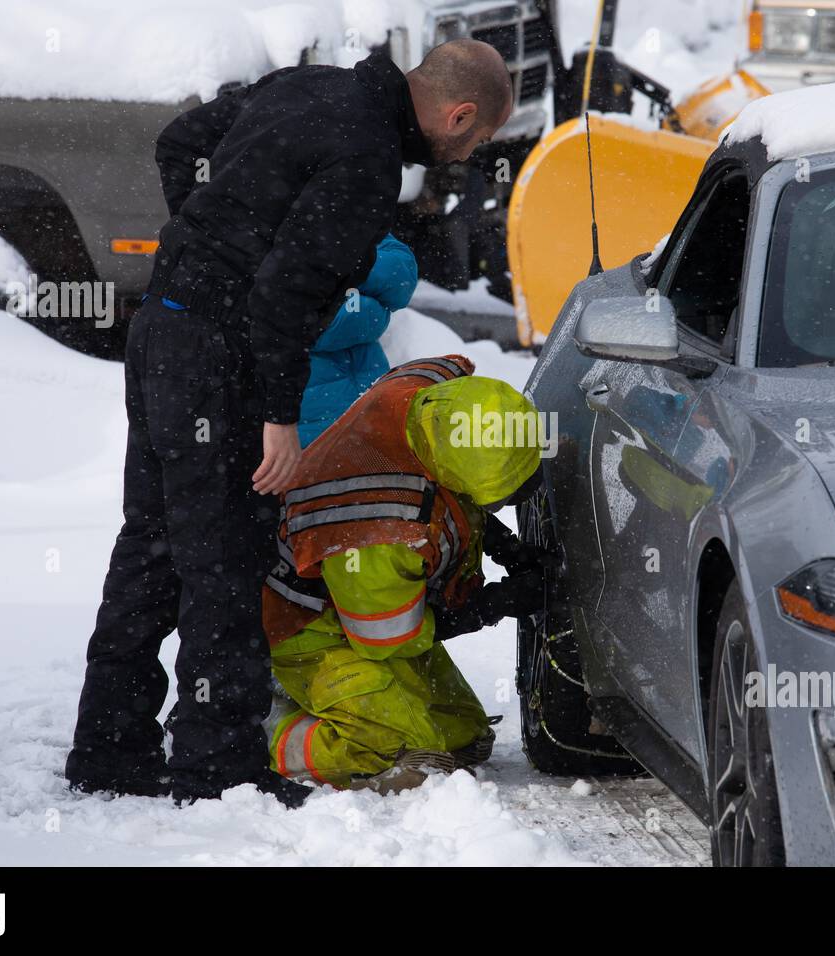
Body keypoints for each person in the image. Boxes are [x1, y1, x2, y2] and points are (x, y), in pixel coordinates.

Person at [65, 41, 514, 807]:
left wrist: (205, 243)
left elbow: (181, 142)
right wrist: (279, 414)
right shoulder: (367, 158)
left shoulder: (307, 86)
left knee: (153, 540)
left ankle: (109, 747)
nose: (467, 154)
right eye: (473, 142)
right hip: (219, 357)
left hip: (160, 331)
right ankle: (216, 765)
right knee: (228, 558)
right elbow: (285, 296)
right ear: (458, 113)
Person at [261, 356, 548, 792]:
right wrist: (495, 604)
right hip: (308, 622)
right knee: (400, 753)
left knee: (464, 740)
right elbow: (391, 636)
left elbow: (453, 493)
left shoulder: (433, 393)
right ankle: (261, 724)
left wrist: (506, 546)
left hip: (365, 600)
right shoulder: (376, 524)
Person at [297, 234, 417, 448]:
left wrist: (338, 269)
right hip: (302, 409)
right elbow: (299, 314)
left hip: (369, 398)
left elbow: (401, 274)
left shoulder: (339, 212)